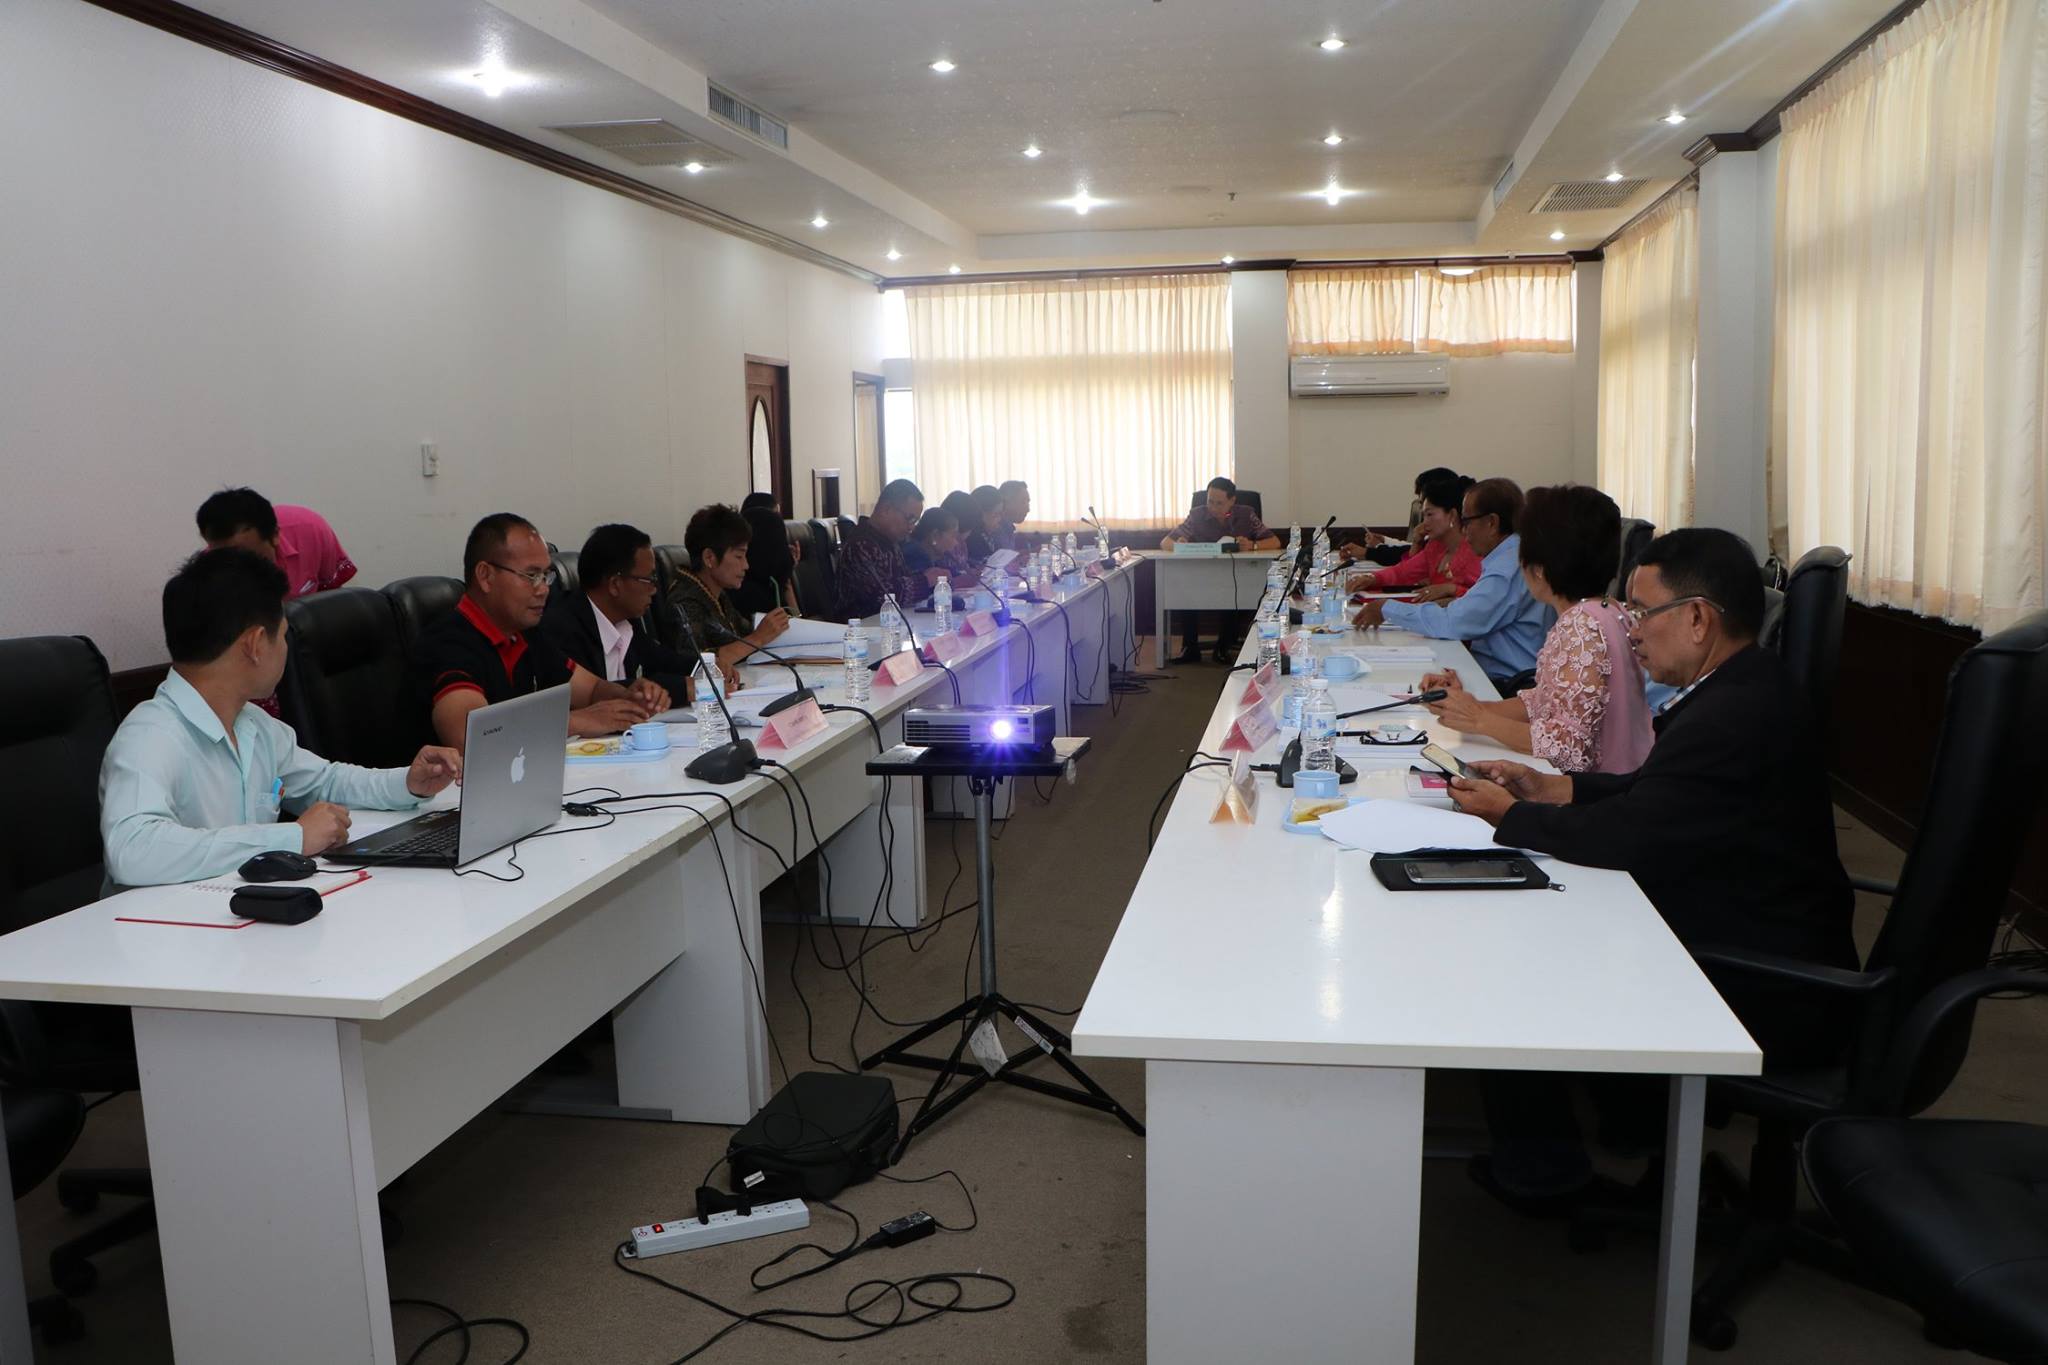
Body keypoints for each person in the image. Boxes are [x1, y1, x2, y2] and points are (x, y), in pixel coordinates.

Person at [1445, 528, 1855, 1208]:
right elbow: (1658, 793)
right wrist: (1554, 788)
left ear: (1697, 618)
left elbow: (1632, 835)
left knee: (1514, 961)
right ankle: (1630, 1116)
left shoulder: (1731, 715)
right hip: (1761, 930)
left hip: (1760, 980)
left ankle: (1544, 1174)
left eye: (1642, 612)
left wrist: (1508, 816)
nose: (1631, 630)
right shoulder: (1743, 685)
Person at [100, 548, 462, 891]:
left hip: (234, 912)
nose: (285, 648)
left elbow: (325, 782)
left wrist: (407, 783)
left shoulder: (252, 723)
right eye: (284, 635)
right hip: (158, 928)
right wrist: (290, 838)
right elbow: (132, 849)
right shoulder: (151, 735)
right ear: (256, 644)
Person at [1421, 485, 1653, 775]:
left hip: (1598, 791)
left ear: (1539, 568)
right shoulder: (1609, 611)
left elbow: (1568, 749)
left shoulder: (1580, 626)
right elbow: (1545, 702)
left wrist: (1481, 719)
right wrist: (1467, 707)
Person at [410, 513, 667, 753]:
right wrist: (576, 722)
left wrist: (629, 698)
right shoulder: (448, 644)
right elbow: (474, 739)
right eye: (531, 575)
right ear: (485, 576)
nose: (543, 589)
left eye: (546, 576)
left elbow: (590, 689)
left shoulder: (525, 635)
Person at [1354, 478, 1552, 687]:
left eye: (1467, 522)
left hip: (1509, 684)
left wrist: (1387, 609)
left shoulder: (1506, 568)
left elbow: (1454, 622)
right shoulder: (1509, 555)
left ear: (1492, 523)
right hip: (1496, 673)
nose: (1464, 531)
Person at [538, 523, 697, 701]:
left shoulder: (625, 620)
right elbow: (596, 695)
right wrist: (683, 688)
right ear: (615, 584)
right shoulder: (561, 627)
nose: (655, 589)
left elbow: (664, 662)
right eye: (649, 579)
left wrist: (709, 666)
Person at [1160, 477, 1282, 665]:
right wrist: (1180, 546)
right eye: (1210, 501)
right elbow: (1165, 542)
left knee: (1234, 592)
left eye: (1219, 503)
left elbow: (1275, 541)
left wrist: (1253, 545)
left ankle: (1223, 647)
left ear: (1232, 501)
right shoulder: (1197, 515)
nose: (1213, 507)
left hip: (1235, 574)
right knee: (1185, 593)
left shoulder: (1246, 514)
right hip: (1200, 575)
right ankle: (1190, 648)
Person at [669, 504, 793, 675]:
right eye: (739, 556)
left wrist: (771, 628)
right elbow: (695, 664)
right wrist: (758, 638)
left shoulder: (716, 593)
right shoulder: (685, 601)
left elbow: (743, 631)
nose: (746, 565)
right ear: (709, 558)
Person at [196, 487, 357, 600]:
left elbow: (330, 599)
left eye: (251, 559)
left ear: (274, 535)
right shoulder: (206, 580)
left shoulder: (311, 531)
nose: (242, 571)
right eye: (227, 562)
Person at [1345, 474, 1480, 604]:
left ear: (1452, 515)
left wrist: (1452, 589)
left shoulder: (1475, 549)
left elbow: (1484, 600)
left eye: (1430, 514)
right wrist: (1372, 578)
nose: (1424, 523)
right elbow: (1402, 572)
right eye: (1424, 516)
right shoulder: (1435, 547)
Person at [836, 478, 952, 618]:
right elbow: (881, 596)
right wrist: (924, 581)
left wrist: (931, 578)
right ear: (886, 509)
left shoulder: (890, 541)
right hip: (863, 627)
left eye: (915, 521)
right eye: (910, 519)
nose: (911, 527)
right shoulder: (860, 545)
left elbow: (904, 579)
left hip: (890, 623)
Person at [1340, 466, 1458, 566]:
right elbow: (1408, 563)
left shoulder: (1458, 546)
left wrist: (1373, 550)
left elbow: (1409, 561)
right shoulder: (1434, 541)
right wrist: (1385, 542)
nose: (1425, 519)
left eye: (1429, 512)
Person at [734, 506, 801, 620]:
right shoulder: (748, 592)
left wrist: (786, 576)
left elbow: (796, 618)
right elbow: (795, 622)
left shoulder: (771, 581)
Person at [905, 505, 973, 580]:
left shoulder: (932, 557)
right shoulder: (915, 558)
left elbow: (949, 572)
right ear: (935, 535)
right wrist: (956, 582)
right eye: (953, 536)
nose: (956, 543)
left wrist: (965, 575)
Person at [965, 486, 1006, 562]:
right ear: (981, 514)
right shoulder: (970, 538)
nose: (1000, 519)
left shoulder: (993, 533)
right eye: (996, 514)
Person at [997, 480, 1032, 550]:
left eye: (1027, 502)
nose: (1028, 509)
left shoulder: (1009, 528)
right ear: (1006, 502)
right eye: (1023, 502)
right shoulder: (994, 530)